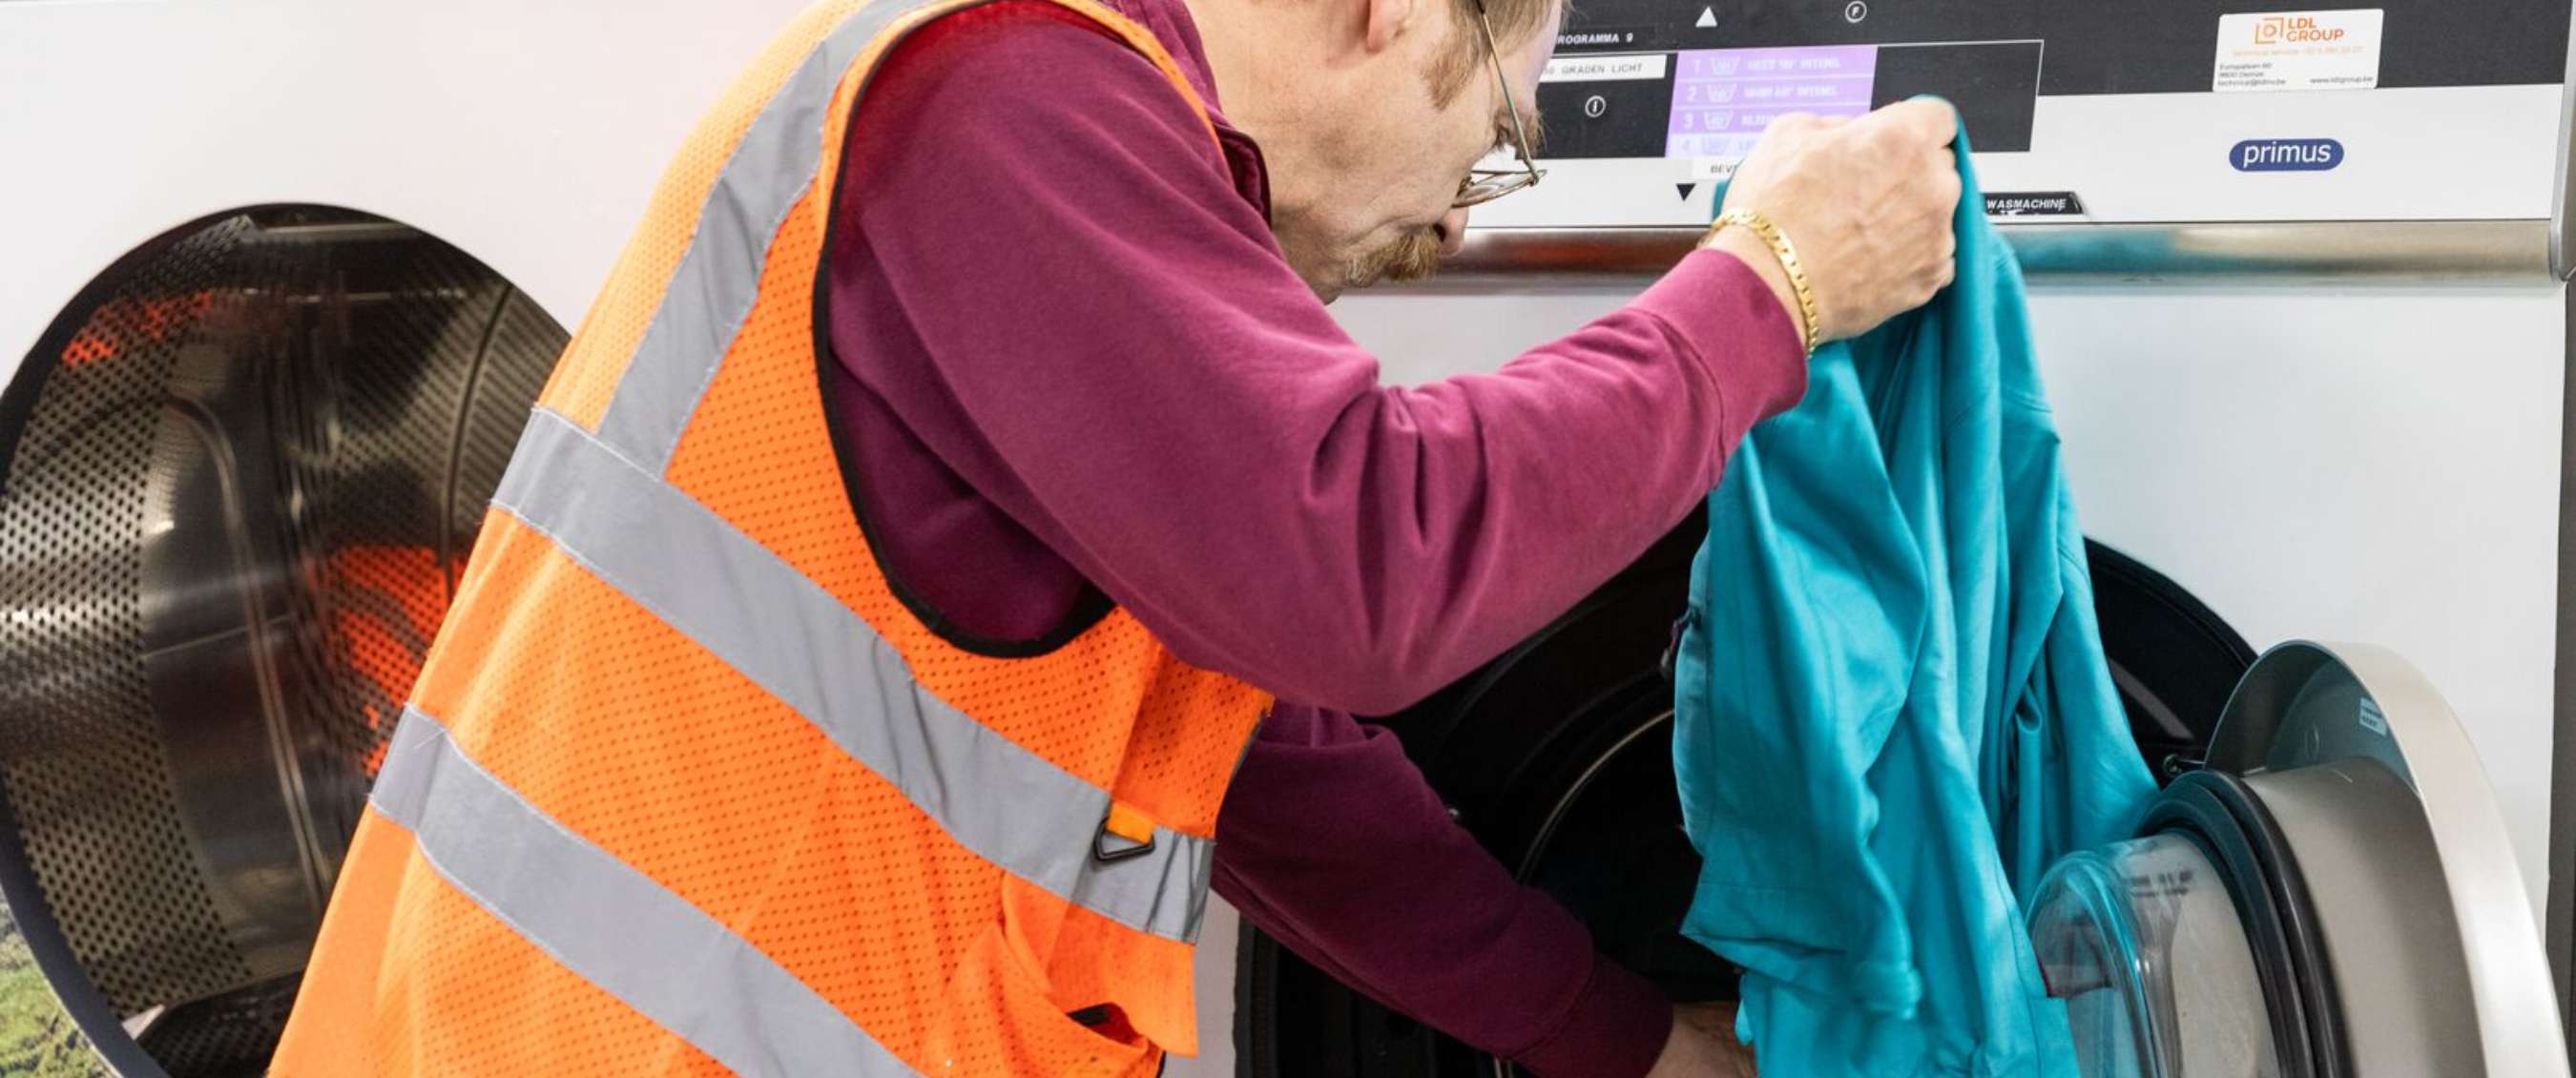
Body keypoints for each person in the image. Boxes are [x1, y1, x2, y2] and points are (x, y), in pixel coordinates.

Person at [270, 0, 1960, 1071]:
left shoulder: (1077, 174)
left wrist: (1635, 1046)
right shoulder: (1003, 99)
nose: (1459, 221)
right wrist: (1771, 287)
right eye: (1499, 136)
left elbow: (1287, 779)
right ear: (1383, 14)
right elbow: (1374, 563)